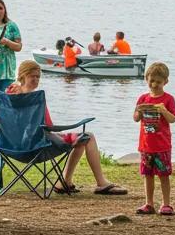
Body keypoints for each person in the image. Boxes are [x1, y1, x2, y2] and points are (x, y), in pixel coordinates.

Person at [8, 61, 127, 195]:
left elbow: (5, 118)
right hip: (38, 144)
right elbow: (48, 125)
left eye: (38, 77)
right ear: (23, 76)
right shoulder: (35, 97)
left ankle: (64, 182)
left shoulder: (10, 92)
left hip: (13, 146)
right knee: (88, 136)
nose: (36, 80)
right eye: (32, 76)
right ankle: (101, 182)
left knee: (80, 140)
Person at [133, 62, 175, 216]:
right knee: (148, 174)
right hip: (146, 146)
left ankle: (166, 204)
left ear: (165, 82)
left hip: (162, 146)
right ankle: (149, 203)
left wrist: (163, 110)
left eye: (158, 82)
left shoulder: (168, 99)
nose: (154, 84)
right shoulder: (143, 98)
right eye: (151, 81)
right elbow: (135, 118)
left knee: (164, 175)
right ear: (147, 79)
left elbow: (172, 119)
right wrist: (139, 111)